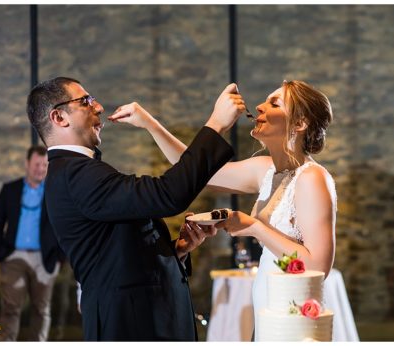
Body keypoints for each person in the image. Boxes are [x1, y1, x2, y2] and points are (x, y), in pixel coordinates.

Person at [29, 77, 244, 340]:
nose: (98, 107)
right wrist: (216, 124)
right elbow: (167, 195)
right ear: (59, 117)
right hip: (130, 326)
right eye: (85, 101)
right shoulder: (75, 174)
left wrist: (177, 251)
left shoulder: (77, 171)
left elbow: (117, 251)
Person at [118, 80, 336, 338]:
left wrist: (254, 227)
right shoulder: (265, 169)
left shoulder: (312, 178)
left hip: (292, 320)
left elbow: (318, 268)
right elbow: (197, 171)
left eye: (274, 103)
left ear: (299, 124)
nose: (259, 107)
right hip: (268, 314)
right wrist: (150, 124)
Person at [0, 145, 63, 341]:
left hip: (44, 259)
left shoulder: (54, 192)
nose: (41, 169)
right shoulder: (10, 190)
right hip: (14, 257)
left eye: (45, 165)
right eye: (37, 164)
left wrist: (58, 260)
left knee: (41, 310)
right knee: (11, 308)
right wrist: (1, 254)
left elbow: (64, 226)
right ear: (27, 164)